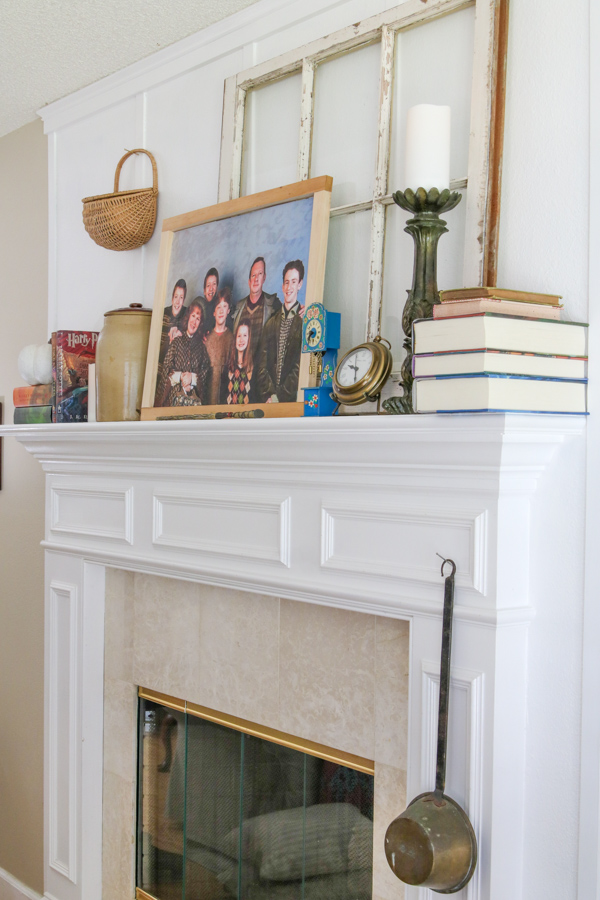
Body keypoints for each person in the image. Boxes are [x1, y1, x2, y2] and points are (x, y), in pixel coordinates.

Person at [255, 260, 305, 404]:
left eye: (294, 282)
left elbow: (299, 366)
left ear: (300, 284)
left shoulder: (304, 321)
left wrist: (280, 397)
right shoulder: (271, 323)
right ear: (282, 285)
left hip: (292, 400)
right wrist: (269, 395)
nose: (289, 287)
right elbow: (262, 366)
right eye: (286, 282)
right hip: (269, 401)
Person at [155, 298, 211, 407]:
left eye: (198, 319)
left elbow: (205, 374)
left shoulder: (201, 348)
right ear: (188, 317)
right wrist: (180, 376)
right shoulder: (176, 343)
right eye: (193, 316)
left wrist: (192, 378)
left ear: (200, 323)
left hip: (192, 403)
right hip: (173, 400)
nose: (194, 322)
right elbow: (165, 369)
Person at [231, 257, 280, 353]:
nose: (256, 279)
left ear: (264, 278)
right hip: (241, 366)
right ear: (249, 281)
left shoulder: (274, 304)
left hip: (262, 366)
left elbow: (288, 319)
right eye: (253, 275)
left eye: (260, 274)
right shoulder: (237, 308)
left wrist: (300, 310)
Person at [204, 287, 234, 405]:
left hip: (225, 395)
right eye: (218, 307)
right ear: (214, 312)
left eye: (224, 306)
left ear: (228, 310)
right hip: (208, 396)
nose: (221, 311)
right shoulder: (207, 339)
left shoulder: (231, 338)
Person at [225, 318, 254, 405]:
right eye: (239, 336)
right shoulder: (227, 368)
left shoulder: (253, 369)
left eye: (245, 335)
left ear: (249, 338)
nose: (241, 340)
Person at [159, 278, 187, 366]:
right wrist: (169, 341)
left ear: (184, 301)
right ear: (172, 298)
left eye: (181, 297)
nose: (178, 302)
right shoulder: (163, 314)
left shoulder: (187, 315)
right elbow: (157, 351)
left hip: (178, 367)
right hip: (162, 364)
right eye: (176, 297)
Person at [197, 267, 220, 335]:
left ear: (217, 288)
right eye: (208, 285)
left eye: (214, 284)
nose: (211, 289)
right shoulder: (198, 305)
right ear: (204, 291)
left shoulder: (219, 309)